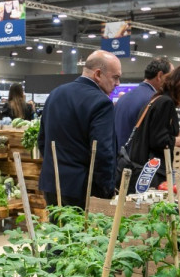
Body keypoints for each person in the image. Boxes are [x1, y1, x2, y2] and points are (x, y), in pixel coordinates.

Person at [37, 50, 121, 205]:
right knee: (82, 230)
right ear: (98, 74)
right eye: (115, 77)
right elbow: (102, 153)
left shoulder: (55, 93)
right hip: (82, 189)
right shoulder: (101, 102)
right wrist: (107, 191)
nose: (118, 84)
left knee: (55, 229)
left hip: (52, 184)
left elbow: (42, 141)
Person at [118, 65, 180, 192]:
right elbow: (158, 139)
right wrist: (178, 141)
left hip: (143, 167)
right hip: (150, 171)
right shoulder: (165, 103)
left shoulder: (157, 99)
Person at [113, 57, 171, 148]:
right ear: (160, 76)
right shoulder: (155, 101)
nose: (173, 82)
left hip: (119, 157)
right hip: (138, 159)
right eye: (171, 77)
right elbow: (156, 139)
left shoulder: (124, 97)